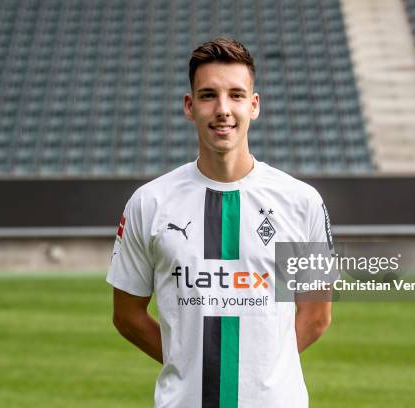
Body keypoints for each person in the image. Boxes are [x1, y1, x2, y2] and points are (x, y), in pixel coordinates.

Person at [107, 37, 332, 408]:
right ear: (189, 106)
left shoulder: (302, 202)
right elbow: (127, 316)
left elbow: (317, 314)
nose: (223, 109)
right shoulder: (149, 202)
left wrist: (259, 372)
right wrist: (192, 363)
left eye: (236, 95)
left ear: (254, 105)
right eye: (209, 95)